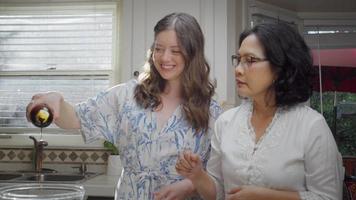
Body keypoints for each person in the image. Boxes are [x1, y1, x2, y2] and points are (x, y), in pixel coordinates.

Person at [26, 12, 222, 200]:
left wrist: (189, 185)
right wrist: (57, 100)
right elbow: (76, 118)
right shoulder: (126, 96)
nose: (164, 58)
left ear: (193, 54)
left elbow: (216, 181)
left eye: (176, 51)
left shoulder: (211, 112)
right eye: (159, 48)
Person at [175, 23, 344, 200]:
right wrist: (197, 175)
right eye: (238, 59)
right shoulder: (226, 123)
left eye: (251, 60)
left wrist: (267, 196)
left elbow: (329, 197)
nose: (238, 70)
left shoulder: (311, 126)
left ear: (280, 68)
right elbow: (219, 192)